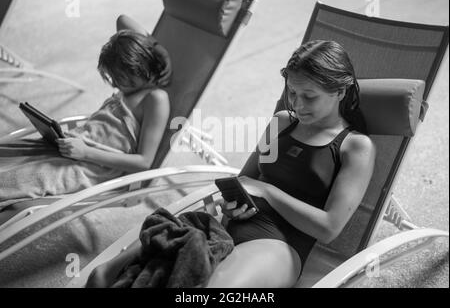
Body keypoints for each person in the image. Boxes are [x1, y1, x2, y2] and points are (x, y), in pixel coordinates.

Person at [86, 40, 376, 288]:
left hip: (279, 246)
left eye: (309, 97)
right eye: (292, 93)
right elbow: (245, 181)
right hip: (227, 224)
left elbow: (329, 228)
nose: (297, 105)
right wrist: (232, 203)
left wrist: (268, 192)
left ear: (340, 91)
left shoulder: (355, 146)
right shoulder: (283, 122)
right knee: (105, 275)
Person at [0, 15, 171, 204]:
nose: (115, 84)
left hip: (94, 167)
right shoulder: (131, 81)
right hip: (74, 146)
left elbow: (144, 163)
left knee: (24, 179)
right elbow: (122, 20)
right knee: (9, 154)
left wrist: (86, 153)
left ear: (139, 68)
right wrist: (159, 49)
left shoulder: (155, 98)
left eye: (120, 78)